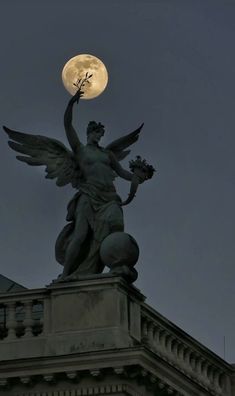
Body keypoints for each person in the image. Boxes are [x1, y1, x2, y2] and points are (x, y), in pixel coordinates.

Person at [55, 89, 136, 281]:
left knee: (116, 225)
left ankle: (116, 265)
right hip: (88, 195)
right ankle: (66, 275)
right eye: (95, 133)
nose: (97, 136)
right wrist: (70, 104)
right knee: (81, 235)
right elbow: (67, 126)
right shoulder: (80, 150)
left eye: (100, 134)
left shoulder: (108, 155)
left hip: (109, 196)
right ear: (88, 133)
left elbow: (123, 173)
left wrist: (137, 177)